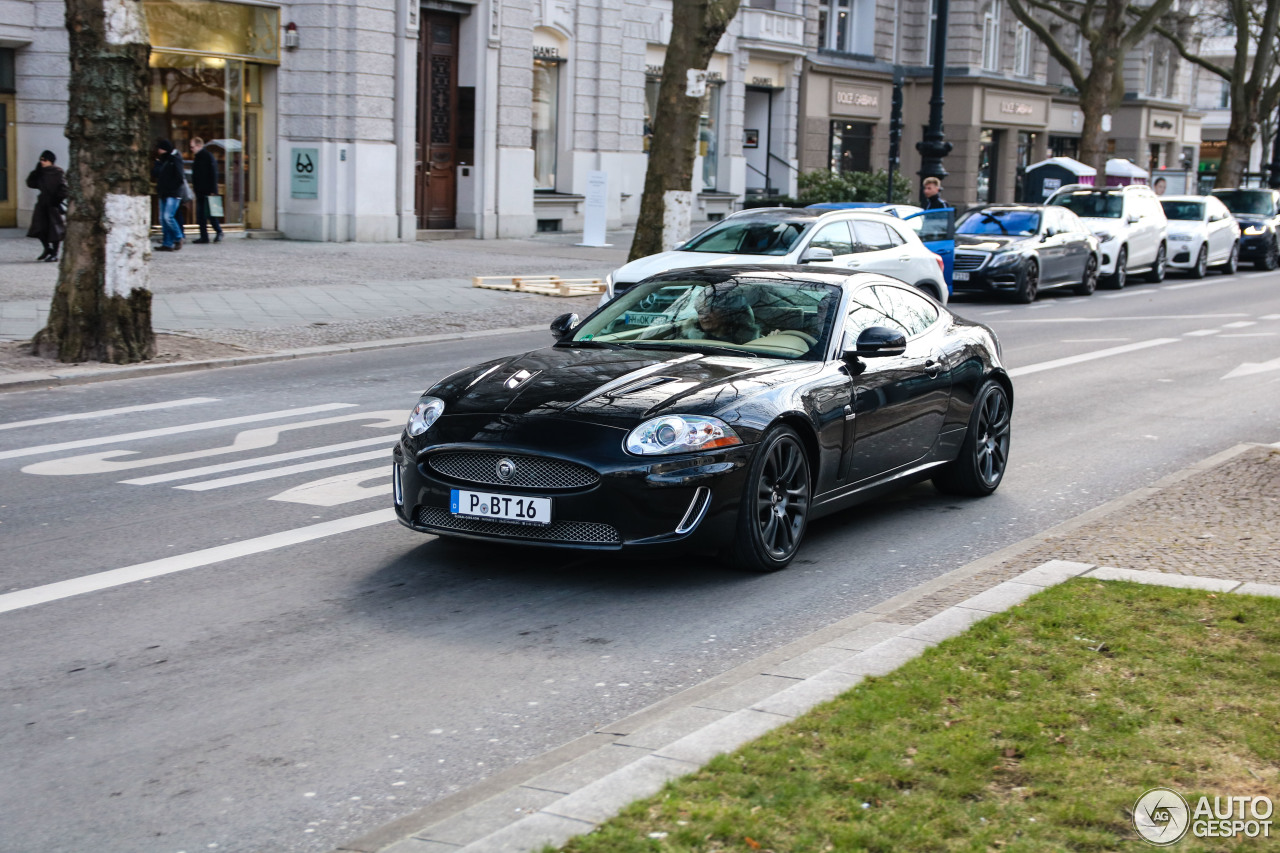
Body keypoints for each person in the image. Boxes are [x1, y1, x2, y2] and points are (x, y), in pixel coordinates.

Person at [640, 284, 761, 345]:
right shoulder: (682, 338)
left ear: (727, 311)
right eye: (700, 311)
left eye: (711, 309)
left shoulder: (753, 342)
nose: (704, 316)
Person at [26, 150, 68, 262]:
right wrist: (36, 171)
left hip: (53, 205)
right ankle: (47, 249)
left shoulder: (58, 172)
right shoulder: (41, 172)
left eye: (44, 160)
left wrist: (56, 200)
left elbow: (64, 189)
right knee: (39, 228)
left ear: (50, 161)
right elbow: (31, 184)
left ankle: (54, 253)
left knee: (55, 230)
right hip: (42, 204)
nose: (42, 162)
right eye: (41, 160)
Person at [152, 139, 186, 251]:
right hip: (164, 192)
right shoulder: (163, 160)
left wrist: (172, 187)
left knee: (168, 217)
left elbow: (179, 177)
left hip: (173, 192)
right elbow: (156, 173)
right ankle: (167, 242)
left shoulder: (174, 159)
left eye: (160, 149)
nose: (158, 151)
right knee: (163, 219)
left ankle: (178, 237)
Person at [189, 137, 223, 244]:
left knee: (210, 214)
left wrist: (213, 190)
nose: (191, 149)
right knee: (201, 216)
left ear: (199, 145)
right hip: (200, 190)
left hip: (208, 191)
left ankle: (218, 231)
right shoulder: (198, 157)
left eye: (192, 146)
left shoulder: (207, 156)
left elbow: (213, 174)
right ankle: (204, 236)